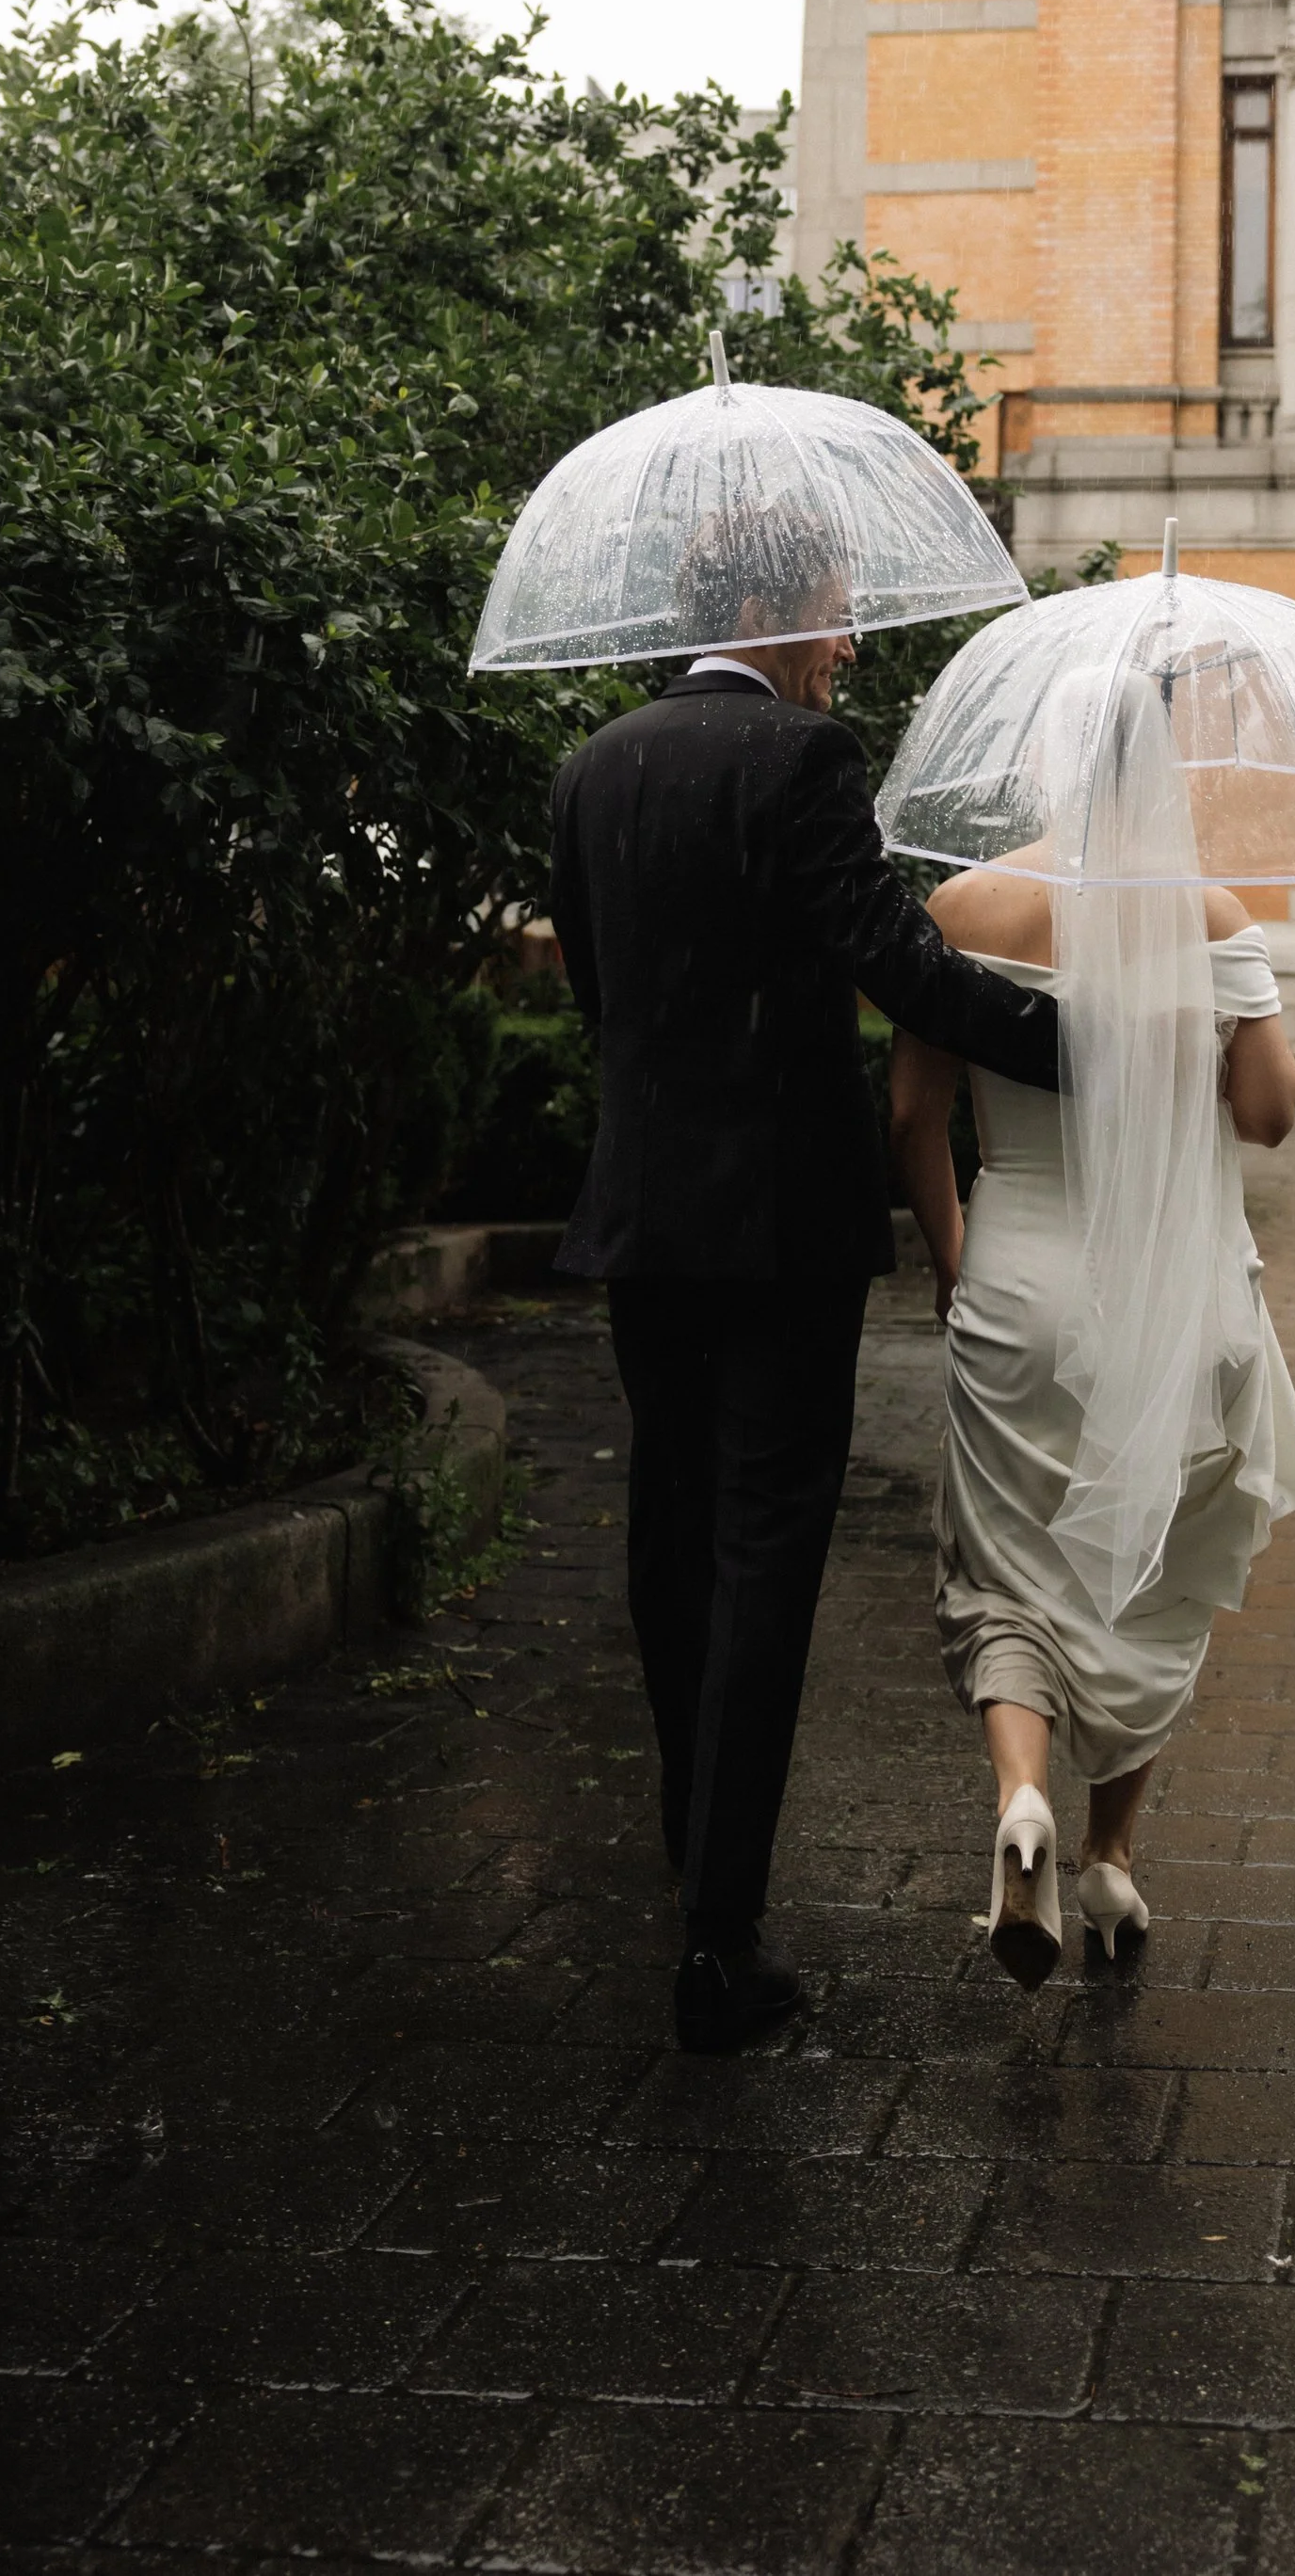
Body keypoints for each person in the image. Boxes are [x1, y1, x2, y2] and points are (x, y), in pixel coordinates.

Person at [548, 507, 1063, 2051]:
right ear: (772, 603)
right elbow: (898, 963)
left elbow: (600, 991)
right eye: (838, 611)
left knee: (671, 1534)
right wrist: (1091, 1045)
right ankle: (721, 1938)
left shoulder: (594, 764)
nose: (850, 641)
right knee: (766, 1550)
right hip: (782, 1225)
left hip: (644, 1215)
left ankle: (692, 1854)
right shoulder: (803, 765)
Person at [888, 665, 1295, 1987]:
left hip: (1021, 1269)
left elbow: (907, 1119)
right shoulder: (1207, 914)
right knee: (1150, 1566)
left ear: (1053, 761)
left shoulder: (963, 907)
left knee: (1009, 1567)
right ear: (1162, 767)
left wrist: (956, 1263)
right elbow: (1268, 1115)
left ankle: (1018, 1797)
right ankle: (1112, 1858)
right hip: (1175, 1291)